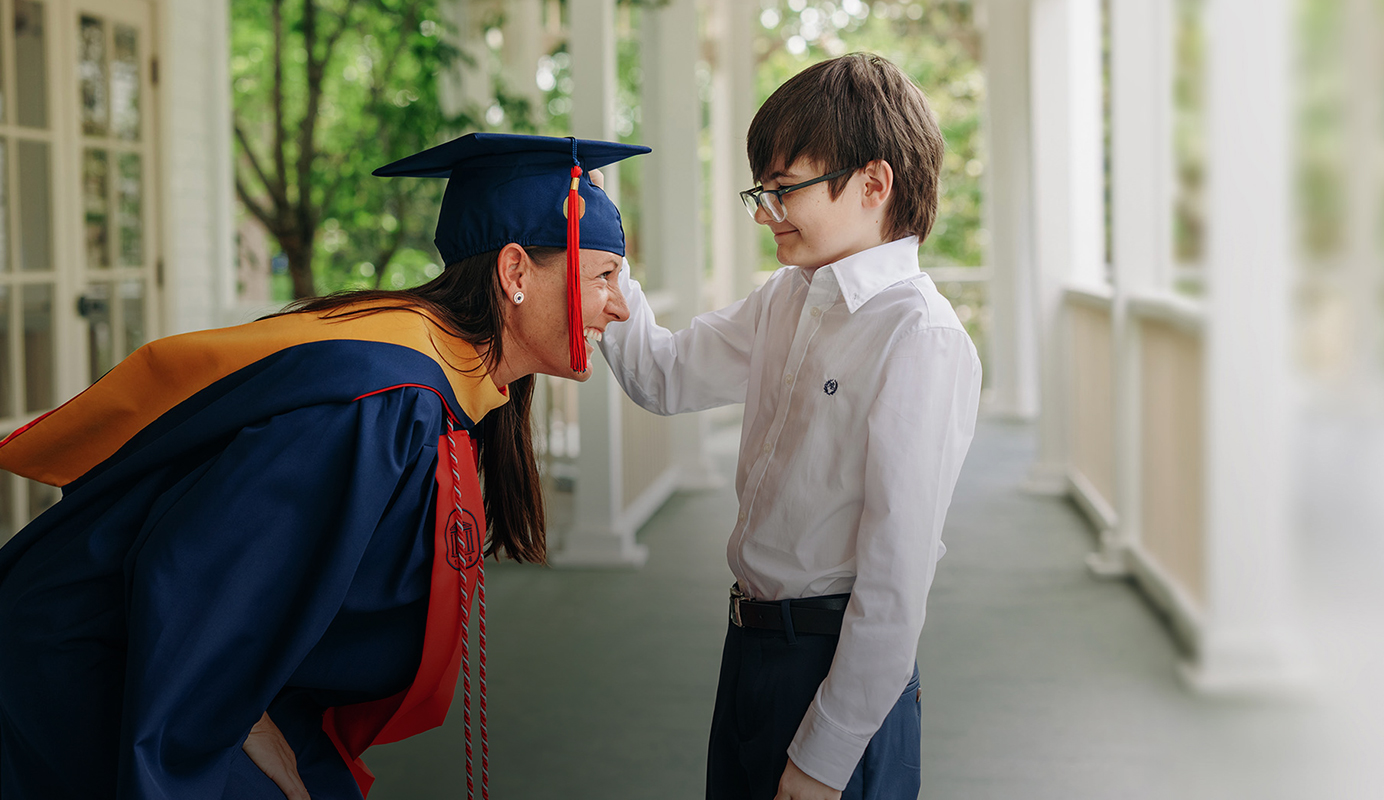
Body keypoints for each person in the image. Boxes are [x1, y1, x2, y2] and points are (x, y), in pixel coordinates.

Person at [0, 132, 642, 799]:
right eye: (603, 276)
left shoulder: (433, 366)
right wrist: (244, 722)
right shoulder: (386, 407)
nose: (620, 306)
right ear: (514, 274)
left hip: (192, 661)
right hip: (107, 672)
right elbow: (193, 570)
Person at [598, 54, 980, 800]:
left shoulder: (918, 334)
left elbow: (897, 577)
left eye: (786, 188)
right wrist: (600, 262)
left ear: (874, 184)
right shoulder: (787, 298)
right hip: (751, 649)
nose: (769, 212)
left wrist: (823, 759)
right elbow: (663, 374)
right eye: (761, 191)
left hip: (838, 670)